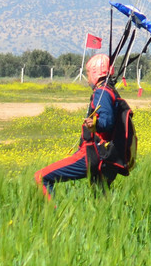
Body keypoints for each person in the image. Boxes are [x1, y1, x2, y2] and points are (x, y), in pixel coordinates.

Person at [35, 53, 122, 200]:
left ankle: (54, 217)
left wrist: (95, 124)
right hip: (103, 156)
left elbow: (107, 122)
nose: (87, 78)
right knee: (101, 201)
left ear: (95, 72)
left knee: (41, 177)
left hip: (92, 155)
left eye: (88, 73)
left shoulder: (102, 92)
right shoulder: (110, 91)